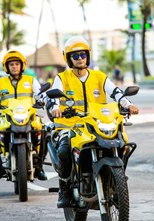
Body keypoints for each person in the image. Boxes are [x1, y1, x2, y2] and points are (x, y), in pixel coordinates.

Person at [49, 36, 139, 208]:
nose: (80, 58)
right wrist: (55, 107)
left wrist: (128, 104)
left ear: (88, 56)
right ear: (69, 58)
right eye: (75, 56)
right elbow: (53, 95)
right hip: (70, 125)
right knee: (64, 149)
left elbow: (116, 92)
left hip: (96, 123)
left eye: (83, 54)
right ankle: (64, 188)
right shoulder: (62, 78)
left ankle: (117, 183)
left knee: (121, 143)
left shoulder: (99, 76)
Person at [0, 50, 48, 181]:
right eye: (11, 64)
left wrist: (45, 100)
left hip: (29, 115)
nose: (14, 66)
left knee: (46, 132)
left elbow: (41, 93)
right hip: (7, 117)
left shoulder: (31, 80)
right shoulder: (0, 82)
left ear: (22, 65)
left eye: (17, 64)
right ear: (6, 67)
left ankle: (40, 166)